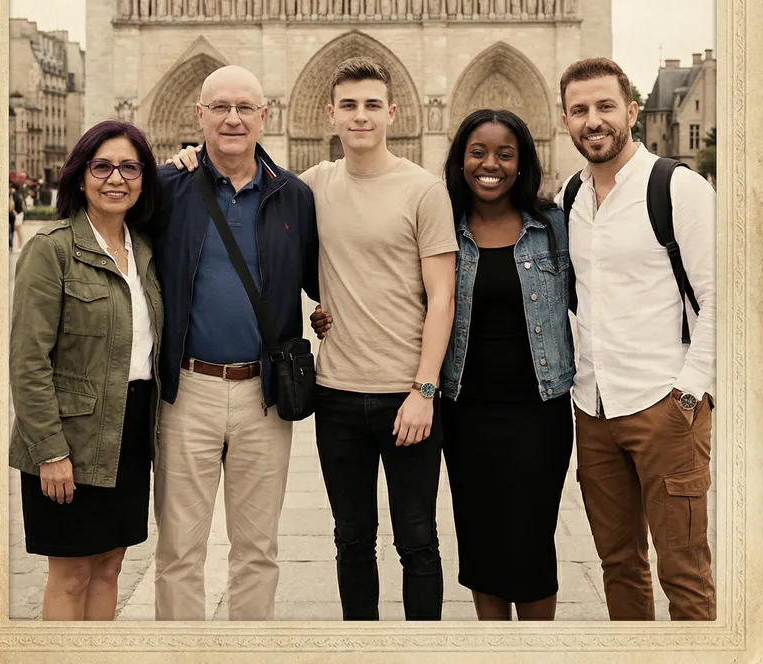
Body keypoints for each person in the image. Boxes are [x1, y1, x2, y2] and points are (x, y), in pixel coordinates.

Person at [170, 57, 457, 622]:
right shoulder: (312, 186)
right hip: (337, 393)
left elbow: (443, 297)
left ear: (394, 113)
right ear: (328, 115)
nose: (360, 116)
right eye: (349, 105)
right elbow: (257, 186)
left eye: (372, 105)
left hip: (408, 396)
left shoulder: (424, 189)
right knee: (351, 538)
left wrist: (425, 389)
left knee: (418, 539)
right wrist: (190, 159)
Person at [152, 65, 320, 622]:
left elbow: (330, 278)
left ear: (265, 116)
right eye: (219, 107)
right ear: (198, 115)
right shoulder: (166, 188)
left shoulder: (294, 196)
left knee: (258, 551)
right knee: (179, 551)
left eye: (245, 107)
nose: (232, 118)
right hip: (188, 392)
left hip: (262, 395)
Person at [557, 57, 716, 621]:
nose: (592, 121)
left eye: (604, 107)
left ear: (632, 110)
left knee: (685, 575)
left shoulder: (679, 189)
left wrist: (690, 392)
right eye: (579, 110)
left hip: (663, 405)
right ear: (565, 120)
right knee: (619, 566)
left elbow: (723, 296)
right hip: (593, 408)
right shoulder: (569, 198)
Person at [8, 120, 164, 621]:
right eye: (102, 166)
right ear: (80, 177)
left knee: (111, 564)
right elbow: (28, 361)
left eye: (129, 167)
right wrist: (50, 451)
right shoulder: (50, 248)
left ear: (143, 179)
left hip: (131, 427)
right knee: (71, 573)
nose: (115, 178)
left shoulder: (144, 250)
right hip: (71, 434)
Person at [439, 108, 575, 621]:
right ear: (460, 160)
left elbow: (605, 293)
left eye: (504, 153)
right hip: (465, 413)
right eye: (477, 152)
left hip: (538, 411)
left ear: (523, 163)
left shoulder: (553, 226)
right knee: (481, 546)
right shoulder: (442, 227)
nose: (489, 164)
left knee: (532, 546)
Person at [12, 184, 26, 251]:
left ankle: (19, 246)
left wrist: (14, 213)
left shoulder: (14, 195)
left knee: (17, 230)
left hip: (17, 214)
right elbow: (23, 204)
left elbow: (12, 205)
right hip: (20, 213)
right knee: (19, 230)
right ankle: (20, 246)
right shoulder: (19, 194)